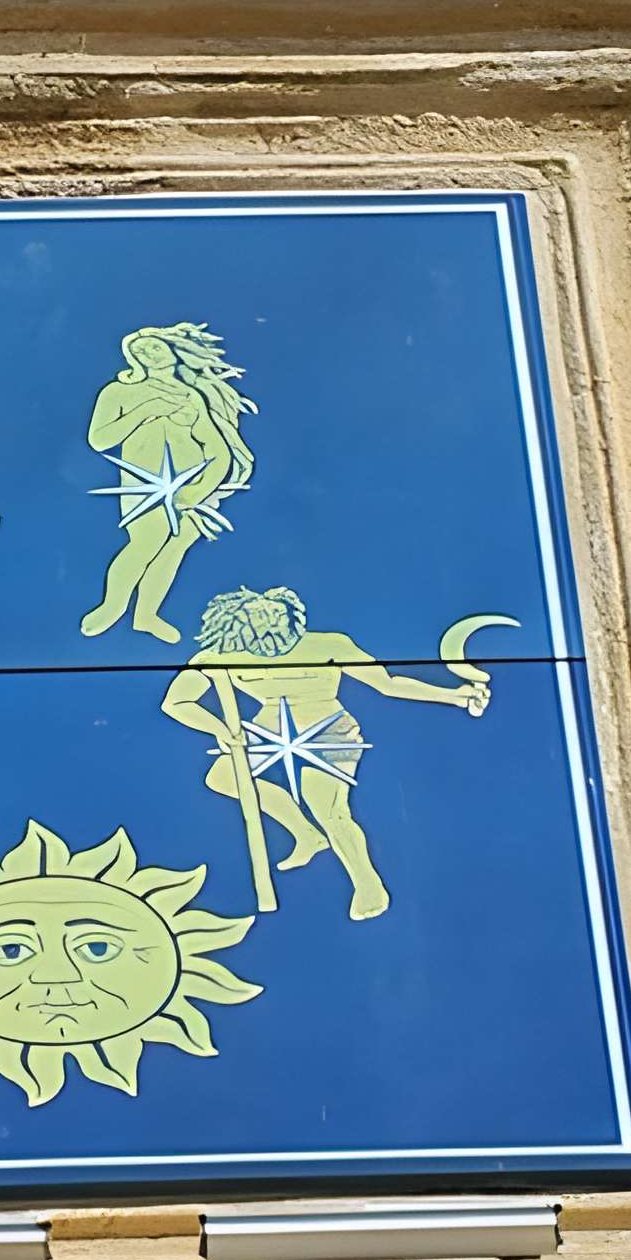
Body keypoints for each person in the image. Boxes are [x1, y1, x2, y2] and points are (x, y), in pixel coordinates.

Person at [159, 585, 488, 922]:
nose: (272, 621)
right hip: (267, 731)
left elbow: (387, 683)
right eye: (261, 614)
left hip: (328, 730)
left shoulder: (328, 645)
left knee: (327, 806)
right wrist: (220, 729)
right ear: (241, 619)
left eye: (278, 613)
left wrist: (456, 696)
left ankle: (367, 883)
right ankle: (305, 833)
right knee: (222, 776)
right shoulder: (220, 657)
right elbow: (176, 702)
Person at [79, 322, 256, 643]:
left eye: (154, 346)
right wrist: (145, 410)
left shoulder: (192, 397)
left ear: (174, 350)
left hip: (191, 489)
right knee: (146, 541)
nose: (148, 353)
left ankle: (147, 614)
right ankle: (113, 606)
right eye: (140, 351)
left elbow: (216, 448)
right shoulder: (118, 392)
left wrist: (201, 489)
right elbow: (99, 439)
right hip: (145, 486)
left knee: (175, 548)